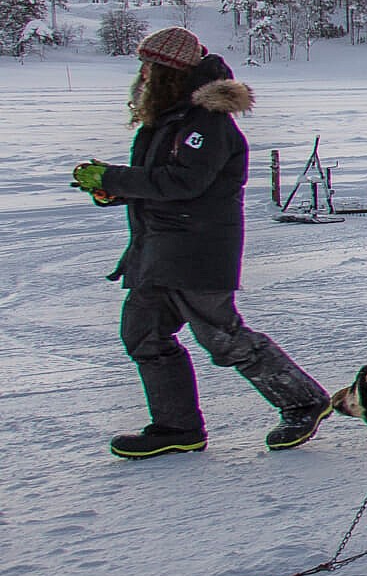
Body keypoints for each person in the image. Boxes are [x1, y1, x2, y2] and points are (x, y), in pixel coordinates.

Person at [72, 27, 328, 458]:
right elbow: (161, 182)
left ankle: (303, 401)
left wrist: (116, 178)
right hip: (157, 250)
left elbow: (186, 181)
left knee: (222, 337)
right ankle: (177, 428)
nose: (143, 75)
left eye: (150, 67)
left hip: (197, 253)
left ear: (170, 72)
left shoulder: (207, 122)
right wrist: (114, 190)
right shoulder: (167, 119)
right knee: (144, 333)